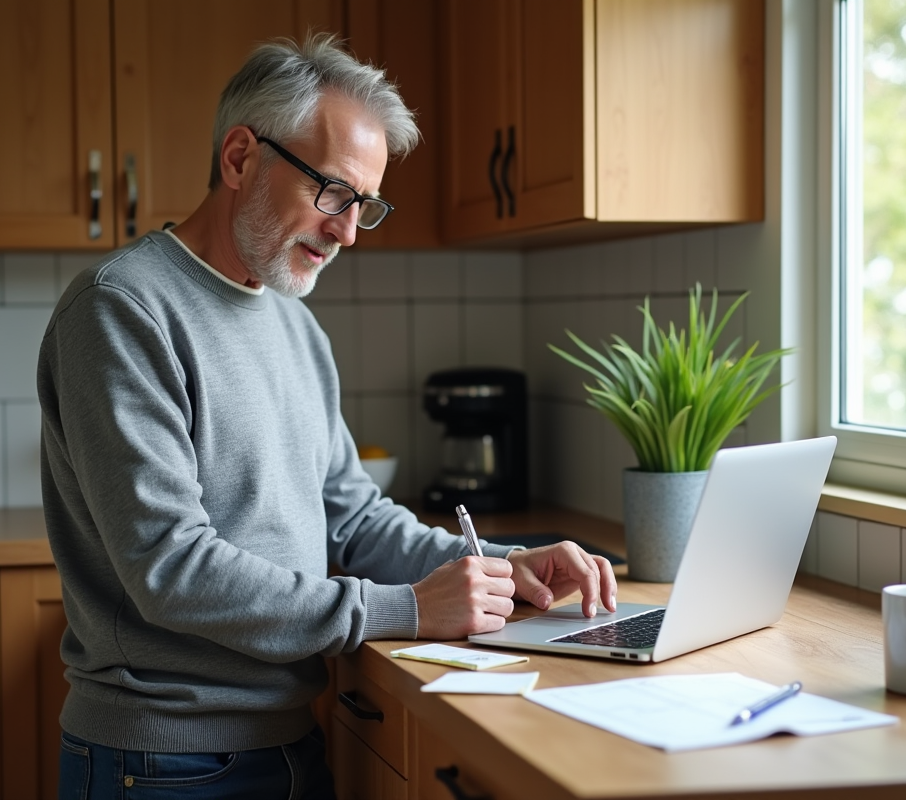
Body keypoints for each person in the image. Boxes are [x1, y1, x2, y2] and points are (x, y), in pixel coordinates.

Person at [37, 33, 617, 800]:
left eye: (365, 206)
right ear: (240, 158)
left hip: (287, 744)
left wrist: (504, 569)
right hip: (160, 763)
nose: (348, 231)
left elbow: (353, 518)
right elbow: (171, 569)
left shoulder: (294, 324)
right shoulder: (121, 310)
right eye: (334, 193)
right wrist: (405, 609)